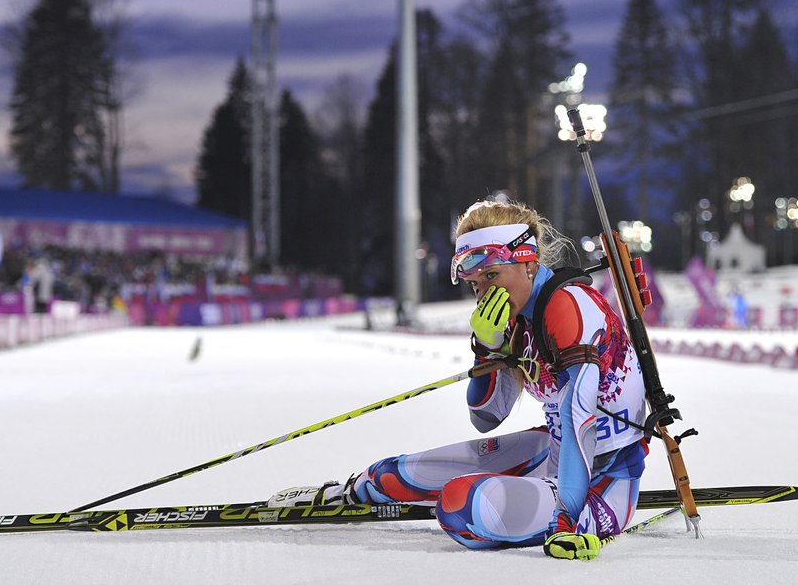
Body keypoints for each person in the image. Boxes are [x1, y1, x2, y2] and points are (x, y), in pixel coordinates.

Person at [268, 199, 649, 560]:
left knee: (459, 506)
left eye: (492, 275)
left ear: (528, 263)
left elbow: (578, 415)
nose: (484, 293)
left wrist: (566, 518)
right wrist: (488, 348)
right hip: (554, 451)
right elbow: (487, 416)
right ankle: (345, 494)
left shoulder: (568, 306)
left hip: (603, 476)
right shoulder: (515, 319)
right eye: (475, 283)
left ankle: (557, 507)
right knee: (388, 476)